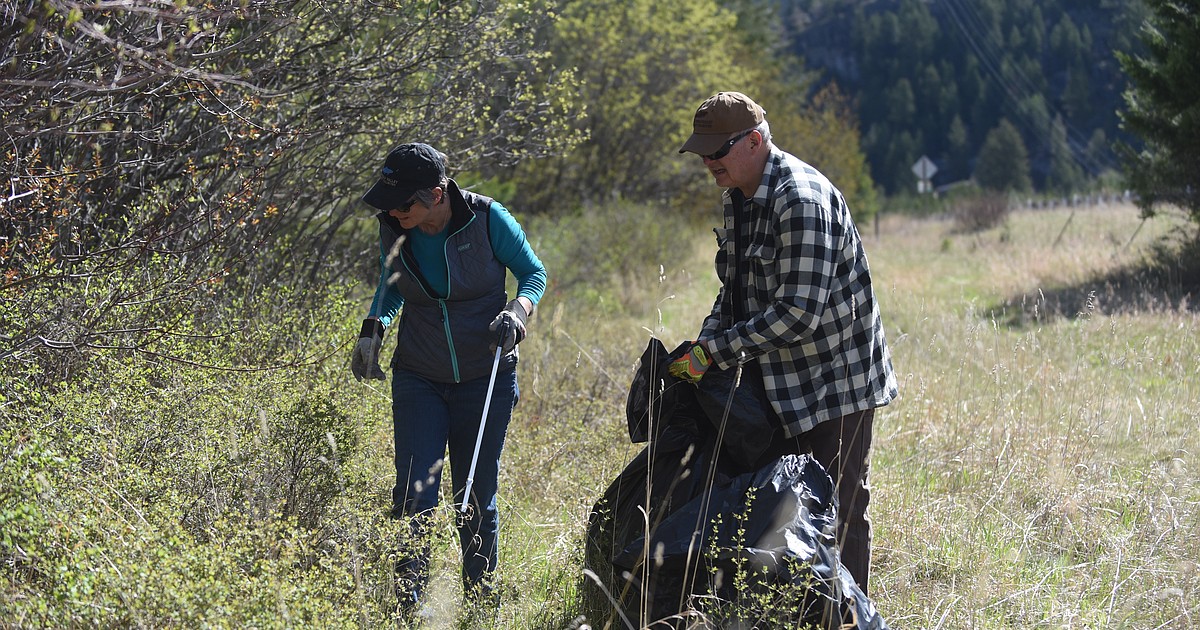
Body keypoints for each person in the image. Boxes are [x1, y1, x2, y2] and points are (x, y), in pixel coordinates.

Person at [671, 91, 898, 596]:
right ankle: (794, 610)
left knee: (837, 504)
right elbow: (734, 290)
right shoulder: (738, 194)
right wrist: (703, 345)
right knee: (783, 504)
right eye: (702, 152)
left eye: (717, 151)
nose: (708, 162)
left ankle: (848, 618)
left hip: (836, 379)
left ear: (754, 141)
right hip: (781, 376)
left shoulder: (801, 200)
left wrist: (717, 352)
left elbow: (798, 314)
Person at [349, 142, 546, 616]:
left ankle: (479, 604)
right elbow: (391, 287)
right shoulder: (393, 227)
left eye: (402, 204)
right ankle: (408, 608)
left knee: (474, 494)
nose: (393, 213)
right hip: (419, 374)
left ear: (436, 195)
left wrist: (518, 312)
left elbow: (532, 274)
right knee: (414, 492)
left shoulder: (487, 219)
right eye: (388, 205)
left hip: (485, 375)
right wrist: (374, 329)